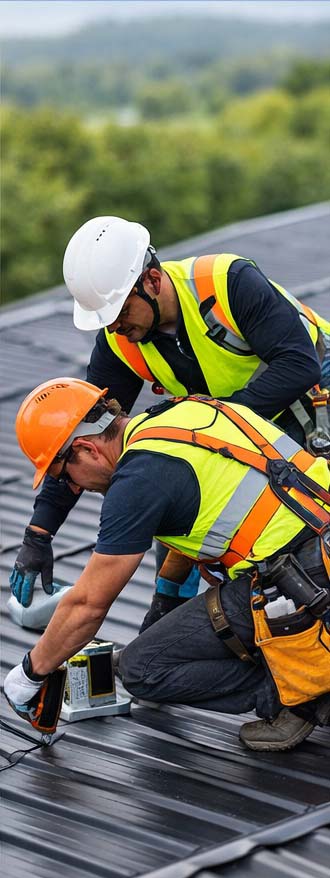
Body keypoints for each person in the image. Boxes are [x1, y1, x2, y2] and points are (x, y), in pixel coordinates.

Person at [9, 216, 330, 618]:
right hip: (242, 422)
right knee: (178, 494)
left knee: (308, 514)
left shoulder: (227, 281)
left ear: (153, 280)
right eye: (108, 318)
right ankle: (170, 616)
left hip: (312, 399)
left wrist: (210, 421)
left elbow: (298, 366)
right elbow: (81, 435)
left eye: (122, 311)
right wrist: (39, 532)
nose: (117, 326)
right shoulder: (120, 341)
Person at [5, 378, 330, 751]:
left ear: (86, 449)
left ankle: (299, 694)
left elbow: (88, 605)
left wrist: (30, 673)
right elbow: (207, 515)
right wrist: (164, 605)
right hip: (319, 550)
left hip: (303, 578)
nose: (74, 488)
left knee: (142, 670)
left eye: (65, 476)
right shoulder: (185, 412)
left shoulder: (138, 479)